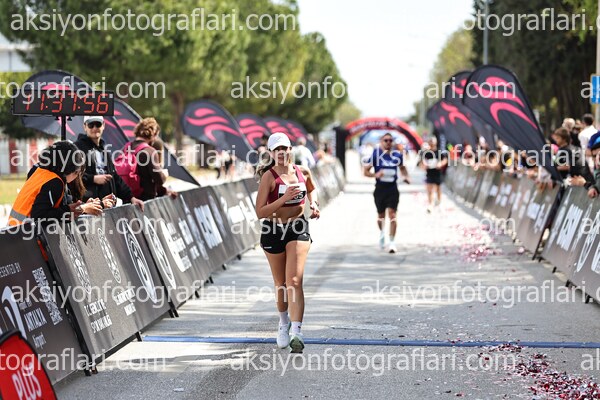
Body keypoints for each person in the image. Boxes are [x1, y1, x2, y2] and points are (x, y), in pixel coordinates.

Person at [255, 132, 320, 354]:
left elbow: (312, 189)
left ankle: (297, 333)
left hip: (298, 228)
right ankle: (284, 323)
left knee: (294, 280)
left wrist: (314, 204)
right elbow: (260, 211)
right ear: (271, 153)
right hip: (272, 230)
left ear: (290, 150)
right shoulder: (269, 177)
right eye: (277, 150)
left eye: (285, 148)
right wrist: (283, 198)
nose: (281, 152)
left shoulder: (303, 171)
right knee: (281, 283)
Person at [7, 141, 102, 227]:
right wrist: (80, 208)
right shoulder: (55, 182)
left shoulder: (39, 171)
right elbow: (40, 216)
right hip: (25, 234)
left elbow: (49, 208)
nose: (77, 176)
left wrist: (77, 208)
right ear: (68, 169)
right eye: (77, 172)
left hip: (14, 230)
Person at [74, 115, 144, 210]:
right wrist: (93, 178)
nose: (94, 128)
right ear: (85, 127)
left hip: (107, 208)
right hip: (88, 208)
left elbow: (115, 177)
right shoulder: (77, 148)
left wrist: (131, 198)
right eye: (91, 125)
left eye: (98, 124)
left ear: (103, 125)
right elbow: (71, 174)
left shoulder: (105, 150)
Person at [363, 132, 411, 253]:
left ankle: (392, 242)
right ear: (381, 142)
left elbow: (403, 168)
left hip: (392, 189)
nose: (388, 142)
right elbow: (366, 172)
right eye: (386, 140)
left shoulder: (397, 155)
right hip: (380, 189)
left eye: (390, 140)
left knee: (392, 215)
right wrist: (376, 174)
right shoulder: (376, 155)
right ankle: (382, 233)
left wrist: (406, 177)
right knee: (381, 217)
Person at [124, 117, 177, 200]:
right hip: (145, 200)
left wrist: (164, 191)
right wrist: (164, 174)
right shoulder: (149, 151)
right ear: (153, 134)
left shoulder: (126, 148)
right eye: (156, 136)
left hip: (128, 198)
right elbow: (159, 180)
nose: (155, 139)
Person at [419, 137, 448, 213]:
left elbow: (445, 160)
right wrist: (424, 165)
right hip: (429, 173)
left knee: (438, 189)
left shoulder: (439, 151)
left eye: (433, 141)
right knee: (429, 189)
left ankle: (439, 202)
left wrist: (440, 164)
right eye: (430, 141)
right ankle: (430, 204)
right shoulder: (426, 153)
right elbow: (422, 162)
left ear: (436, 142)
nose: (432, 143)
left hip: (438, 173)